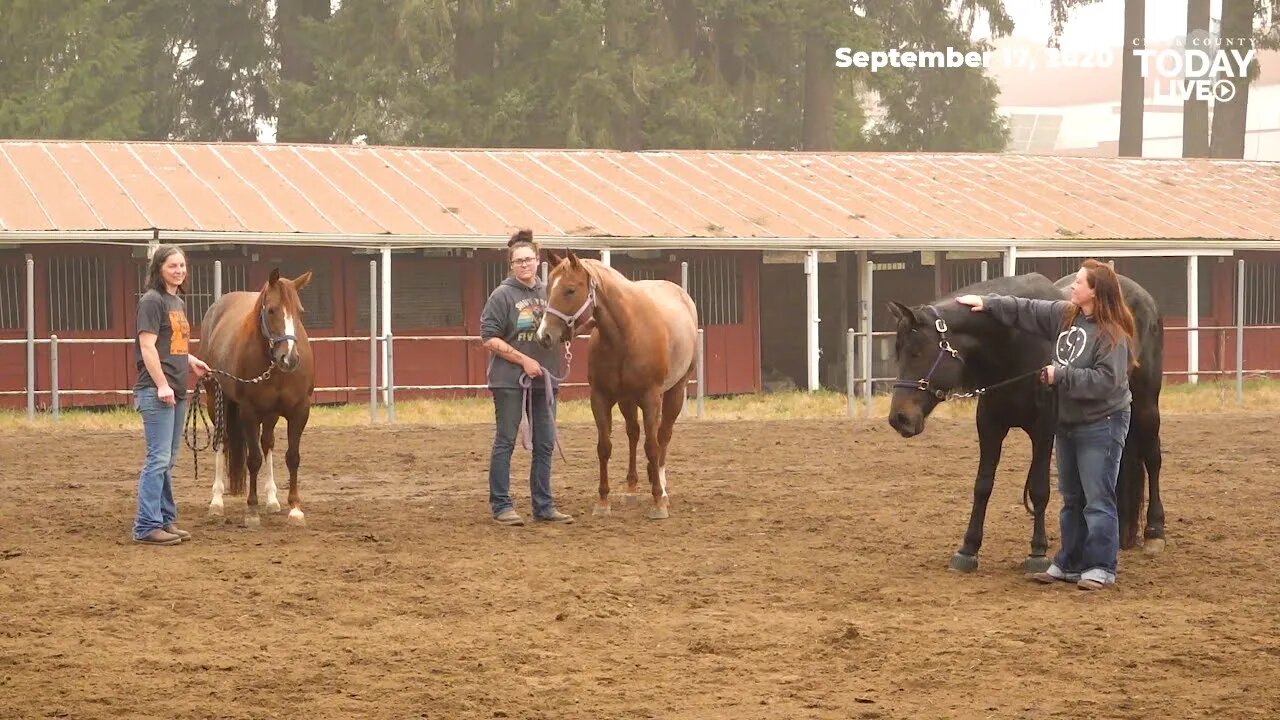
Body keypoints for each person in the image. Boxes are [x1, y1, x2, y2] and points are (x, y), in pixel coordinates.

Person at [955, 259, 1136, 591]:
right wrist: (987, 304)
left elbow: (1108, 382)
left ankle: (1100, 566)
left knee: (1097, 499)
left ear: (1094, 292)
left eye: (1079, 283)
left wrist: (1060, 375)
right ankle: (1069, 562)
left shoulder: (1112, 334)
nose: (1073, 287)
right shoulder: (1067, 316)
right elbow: (1028, 309)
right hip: (1067, 421)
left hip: (1101, 423)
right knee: (1071, 497)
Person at [478, 230, 574, 526]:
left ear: (537, 260)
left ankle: (543, 505)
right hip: (509, 380)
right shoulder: (502, 295)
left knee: (545, 442)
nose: (525, 265)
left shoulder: (548, 292)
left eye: (529, 260)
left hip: (544, 380)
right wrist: (523, 360)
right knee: (505, 440)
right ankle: (501, 505)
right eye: (519, 261)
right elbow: (488, 339)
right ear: (511, 264)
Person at [132, 245, 210, 545]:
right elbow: (148, 346)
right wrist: (162, 384)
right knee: (157, 459)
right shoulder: (152, 301)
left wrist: (190, 360)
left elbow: (171, 343)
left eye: (182, 265)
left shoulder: (176, 301)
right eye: (172, 266)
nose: (179, 270)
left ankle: (164, 519)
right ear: (159, 269)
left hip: (176, 390)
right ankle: (146, 525)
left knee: (167, 460)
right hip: (157, 392)